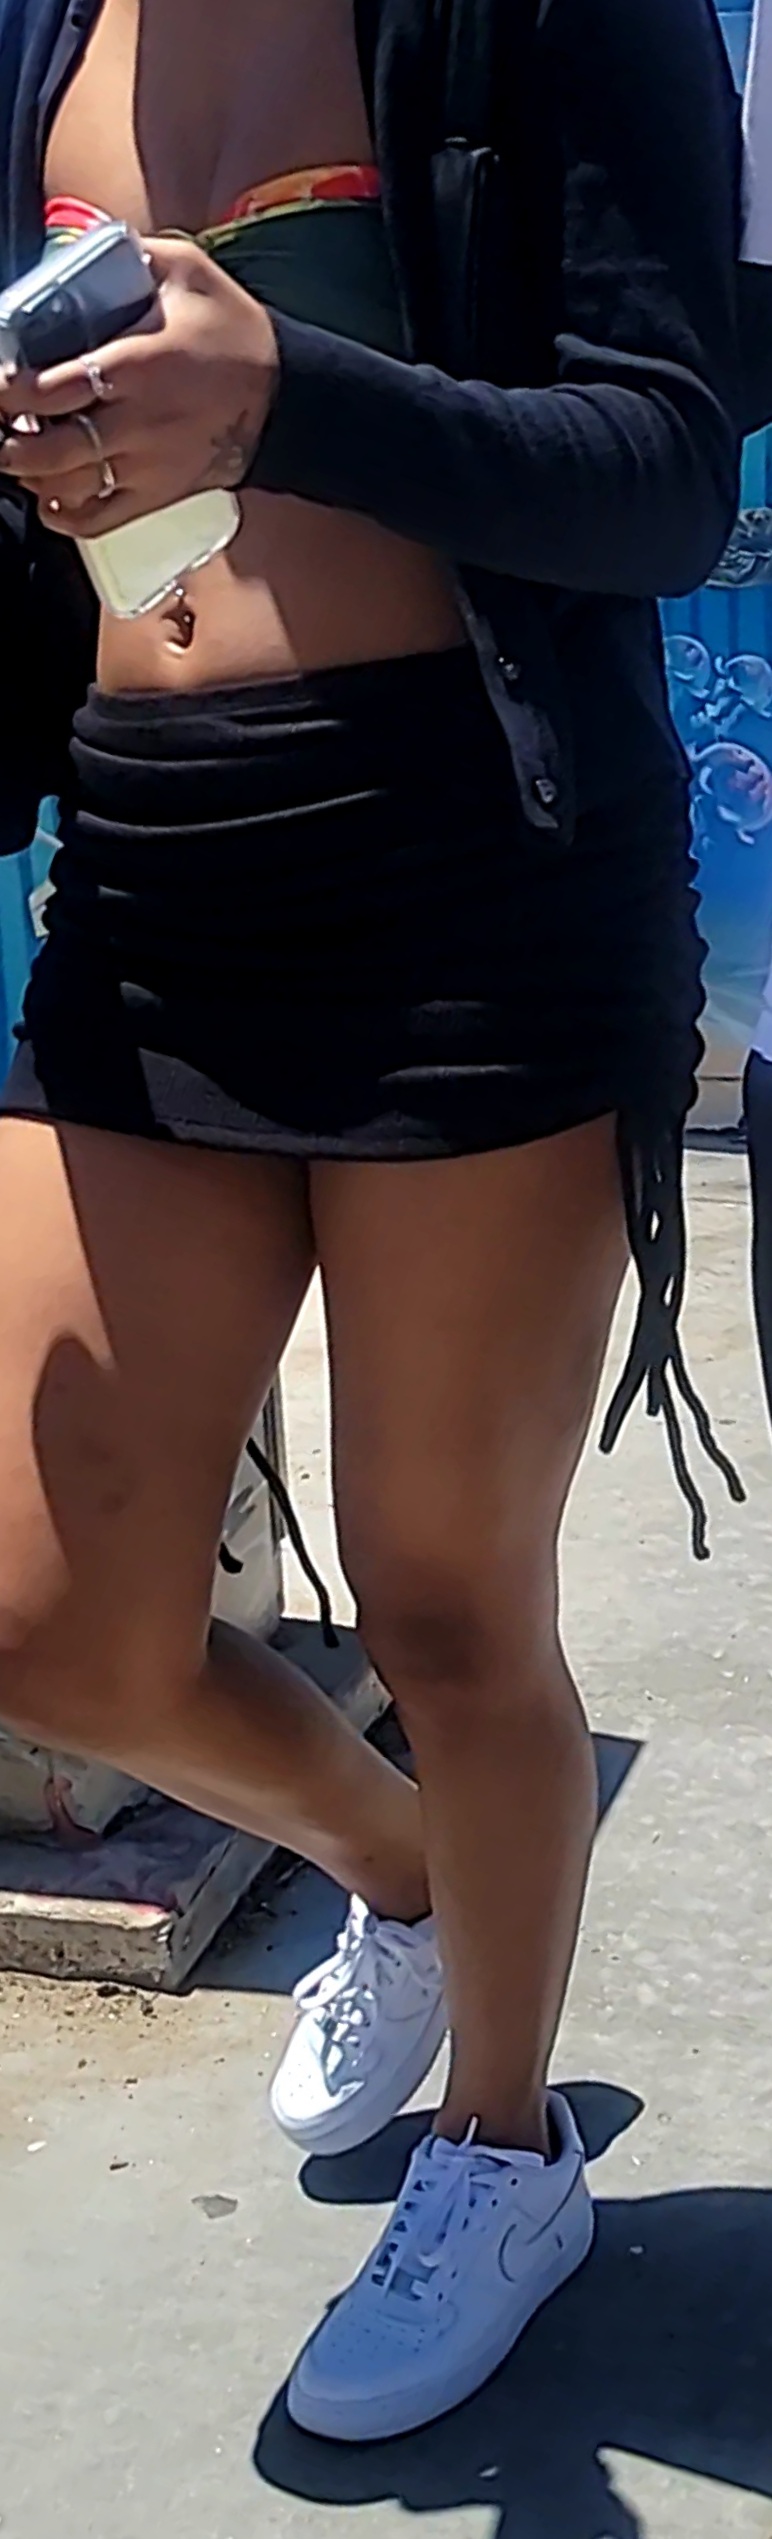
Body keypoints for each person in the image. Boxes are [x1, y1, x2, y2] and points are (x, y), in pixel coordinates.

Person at [0, 0, 741, 2445]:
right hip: (147, 879)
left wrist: (283, 398)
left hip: (474, 883)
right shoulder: (40, 33)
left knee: (444, 1597)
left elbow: (661, 475)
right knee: (47, 1621)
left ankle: (502, 2153)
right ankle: (402, 1874)